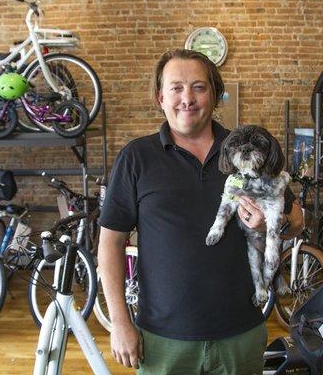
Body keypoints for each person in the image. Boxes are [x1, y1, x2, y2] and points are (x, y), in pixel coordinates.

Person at [98, 48, 303, 374]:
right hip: (163, 339)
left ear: (216, 94)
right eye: (176, 87)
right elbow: (110, 243)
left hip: (241, 332)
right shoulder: (136, 158)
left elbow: (297, 221)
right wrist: (120, 323)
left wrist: (270, 223)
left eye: (198, 87)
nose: (187, 98)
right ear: (160, 97)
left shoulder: (250, 149)